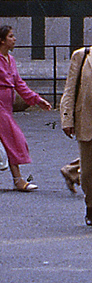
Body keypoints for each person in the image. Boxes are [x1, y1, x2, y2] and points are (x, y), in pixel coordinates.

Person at [0, 24, 50, 190]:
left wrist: (36, 99)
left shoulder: (10, 59)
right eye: (11, 36)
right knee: (12, 138)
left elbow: (19, 83)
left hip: (6, 102)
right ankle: (18, 180)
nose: (14, 39)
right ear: (2, 40)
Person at [60, 41, 92, 227]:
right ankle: (91, 206)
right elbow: (70, 90)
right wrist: (67, 119)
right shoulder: (82, 56)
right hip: (87, 121)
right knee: (88, 172)